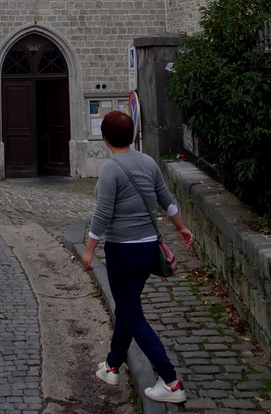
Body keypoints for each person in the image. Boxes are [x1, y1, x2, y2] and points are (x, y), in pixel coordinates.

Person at [82, 110, 194, 405]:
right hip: (148, 249)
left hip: (122, 250)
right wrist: (181, 229)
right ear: (132, 135)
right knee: (127, 308)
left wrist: (90, 249)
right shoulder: (147, 162)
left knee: (132, 314)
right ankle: (111, 366)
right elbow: (167, 201)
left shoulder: (111, 170)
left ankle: (170, 381)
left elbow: (103, 214)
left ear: (105, 139)